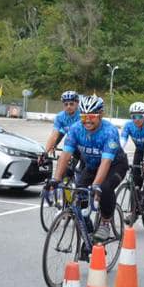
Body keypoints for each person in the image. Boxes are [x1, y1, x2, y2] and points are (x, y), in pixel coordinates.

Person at [51, 94, 126, 242]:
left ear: (100, 114)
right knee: (79, 194)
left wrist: (96, 185)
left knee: (104, 188)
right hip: (91, 166)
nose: (87, 121)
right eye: (84, 117)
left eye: (91, 116)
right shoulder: (75, 129)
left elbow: (106, 162)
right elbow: (65, 155)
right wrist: (56, 179)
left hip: (114, 165)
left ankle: (105, 222)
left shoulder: (109, 132)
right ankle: (88, 231)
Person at [121, 102, 144, 218]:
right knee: (136, 182)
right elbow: (122, 141)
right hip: (139, 151)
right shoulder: (128, 125)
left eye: (139, 116)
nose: (136, 119)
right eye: (133, 116)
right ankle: (135, 211)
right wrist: (114, 154)